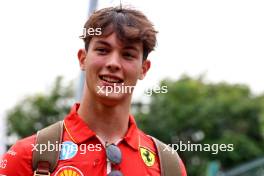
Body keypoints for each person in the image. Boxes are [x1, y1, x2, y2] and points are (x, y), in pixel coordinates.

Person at [0, 6, 187, 176]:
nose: (113, 63)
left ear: (143, 69)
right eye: (103, 50)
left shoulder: (169, 166)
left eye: (128, 54)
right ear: (83, 59)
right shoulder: (27, 156)